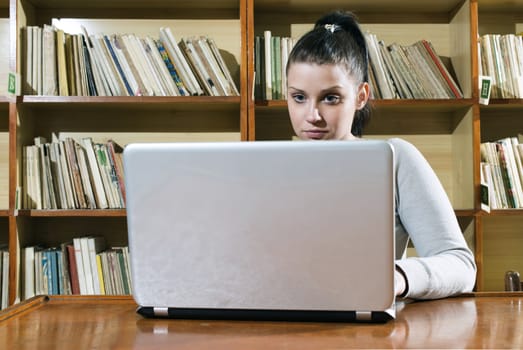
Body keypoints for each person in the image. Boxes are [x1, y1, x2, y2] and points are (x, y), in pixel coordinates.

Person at [285, 10, 476, 299]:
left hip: (369, 330)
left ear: (361, 96)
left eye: (330, 98)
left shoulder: (395, 157)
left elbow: (461, 266)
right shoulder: (267, 168)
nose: (312, 115)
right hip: (280, 327)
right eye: (299, 97)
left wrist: (398, 277)